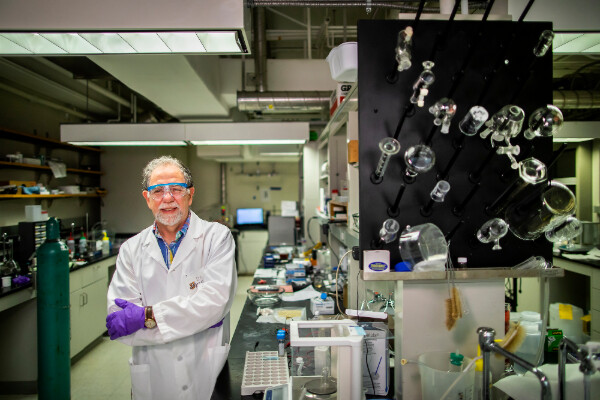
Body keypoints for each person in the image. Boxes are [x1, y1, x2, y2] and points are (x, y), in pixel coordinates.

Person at [106, 156, 237, 400]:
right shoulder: (131, 249)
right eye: (157, 191)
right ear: (147, 198)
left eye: (176, 189)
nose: (167, 198)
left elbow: (214, 304)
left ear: (190, 194)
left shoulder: (216, 238)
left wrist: (146, 317)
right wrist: (193, 318)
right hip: (154, 378)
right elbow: (121, 325)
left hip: (204, 371)